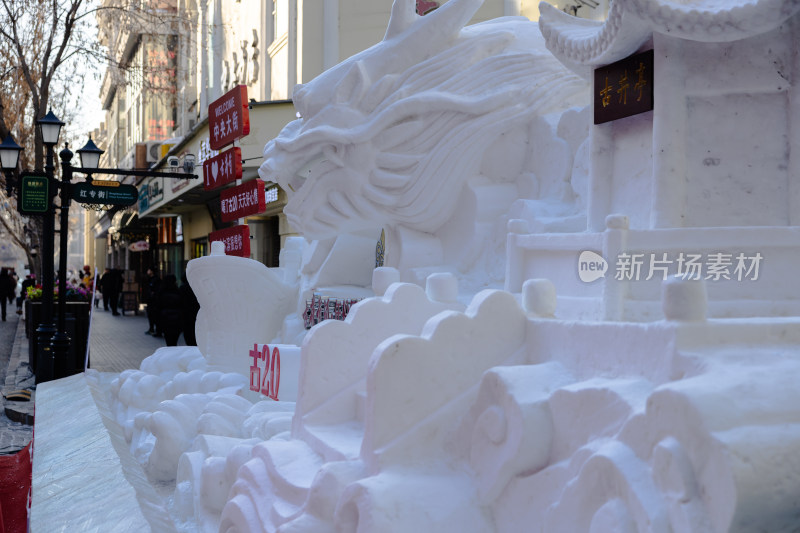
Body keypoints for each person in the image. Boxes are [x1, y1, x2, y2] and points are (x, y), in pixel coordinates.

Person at [157, 274, 182, 346]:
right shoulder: (178, 291)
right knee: (174, 341)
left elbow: (158, 306)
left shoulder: (161, 292)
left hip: (165, 319)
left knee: (169, 341)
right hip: (177, 319)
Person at [179, 272, 200, 346]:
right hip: (195, 313)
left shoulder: (182, 288)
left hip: (186, 314)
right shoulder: (197, 287)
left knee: (188, 332)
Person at [144, 268, 162, 336]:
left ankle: (157, 330)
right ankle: (151, 328)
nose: (147, 271)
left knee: (155, 316)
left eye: (148, 270)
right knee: (150, 315)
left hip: (154, 302)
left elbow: (156, 290)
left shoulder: (156, 279)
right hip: (150, 301)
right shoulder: (149, 279)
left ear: (152, 271)